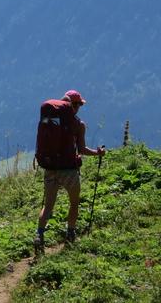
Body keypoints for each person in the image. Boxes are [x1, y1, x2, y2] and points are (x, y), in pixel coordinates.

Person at [35, 89, 106, 248]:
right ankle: (70, 233)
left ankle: (39, 235)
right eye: (79, 104)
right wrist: (98, 153)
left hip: (50, 167)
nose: (80, 107)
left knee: (48, 206)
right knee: (74, 203)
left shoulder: (50, 121)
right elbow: (81, 150)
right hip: (69, 170)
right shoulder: (78, 124)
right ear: (74, 105)